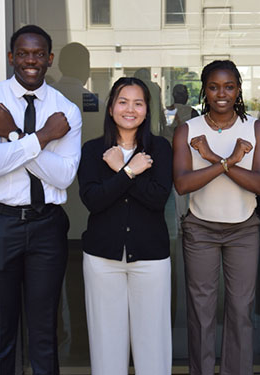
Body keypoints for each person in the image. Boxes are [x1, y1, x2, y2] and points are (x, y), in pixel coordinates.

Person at [0, 25, 82, 374]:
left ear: (49, 59)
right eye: (23, 53)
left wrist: (14, 136)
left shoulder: (66, 112)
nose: (30, 61)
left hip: (46, 226)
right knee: (0, 334)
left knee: (45, 333)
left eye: (37, 54)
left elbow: (63, 177)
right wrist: (42, 138)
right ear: (11, 57)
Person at [173, 60, 260, 375]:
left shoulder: (256, 128)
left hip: (243, 229)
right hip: (200, 229)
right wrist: (227, 162)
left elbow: (258, 184)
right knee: (201, 312)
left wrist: (213, 159)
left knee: (241, 310)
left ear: (239, 89)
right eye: (214, 87)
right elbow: (183, 184)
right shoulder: (189, 129)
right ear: (205, 90)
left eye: (229, 86)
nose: (221, 94)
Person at [77, 77, 173, 374]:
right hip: (102, 258)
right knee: (106, 343)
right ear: (110, 108)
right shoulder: (94, 150)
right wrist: (129, 171)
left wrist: (120, 169)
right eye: (122, 101)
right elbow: (93, 200)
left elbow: (157, 199)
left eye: (138, 103)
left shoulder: (160, 148)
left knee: (153, 342)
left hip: (150, 258)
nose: (130, 109)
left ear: (147, 110)